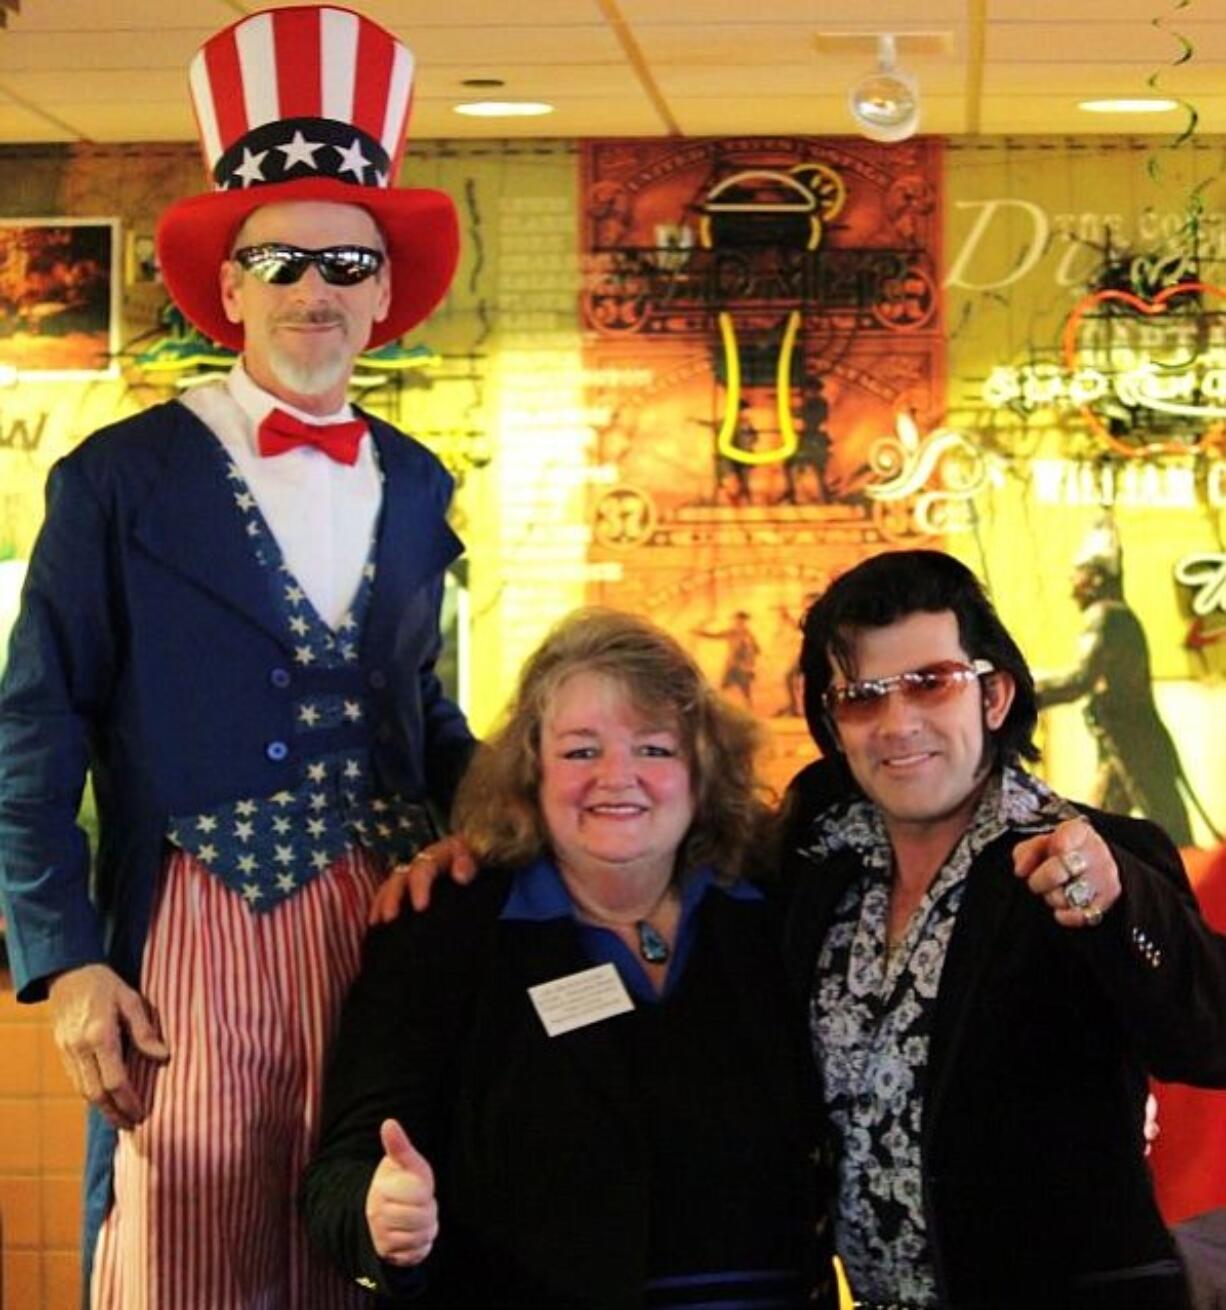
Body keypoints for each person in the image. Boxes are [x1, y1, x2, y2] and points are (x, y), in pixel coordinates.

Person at [0, 6, 474, 1307]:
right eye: (280, 261)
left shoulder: (423, 484)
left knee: (374, 1229)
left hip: (385, 926)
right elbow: (33, 728)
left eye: (343, 261)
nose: (313, 290)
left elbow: (421, 711)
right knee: (192, 1238)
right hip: (190, 935)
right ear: (226, 288)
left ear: (384, 293)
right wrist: (66, 954)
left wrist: (561, 811)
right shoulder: (116, 480)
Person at [302, 608, 836, 1309]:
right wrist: (381, 1217)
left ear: (703, 768)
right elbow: (343, 1171)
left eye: (654, 749)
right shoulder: (445, 930)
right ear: (530, 772)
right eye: (581, 751)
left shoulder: (777, 912)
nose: (618, 777)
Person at [780, 547, 1226, 1309]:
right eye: (863, 697)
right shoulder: (817, 866)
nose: (897, 724)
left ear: (993, 696)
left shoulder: (1087, 853)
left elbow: (1210, 1038)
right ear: (833, 721)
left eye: (930, 684)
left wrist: (1117, 909)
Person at [1035, 521, 1199, 845]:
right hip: (1124, 740)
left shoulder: (1105, 616)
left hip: (1133, 739)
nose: (1072, 587)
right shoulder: (1118, 616)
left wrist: (1029, 691)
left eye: (1078, 576)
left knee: (1171, 834)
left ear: (1095, 578)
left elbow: (1081, 680)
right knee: (1101, 829)